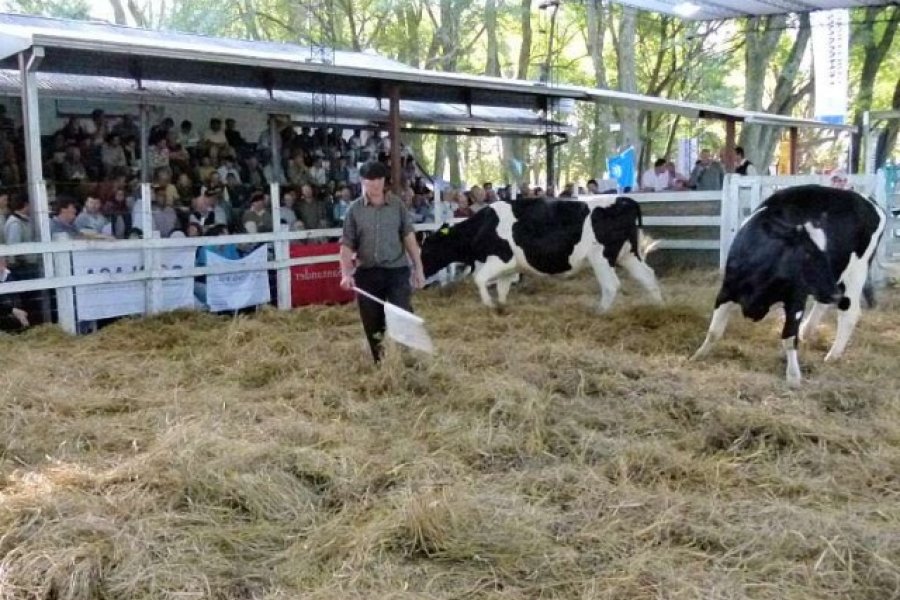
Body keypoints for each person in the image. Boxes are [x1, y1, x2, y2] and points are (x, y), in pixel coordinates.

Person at [339, 160, 426, 363]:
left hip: (396, 270)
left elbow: (409, 239)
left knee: (401, 313)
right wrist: (346, 273)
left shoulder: (397, 206)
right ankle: (381, 363)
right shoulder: (354, 210)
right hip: (367, 272)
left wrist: (418, 269)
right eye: (370, 180)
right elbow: (346, 245)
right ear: (363, 182)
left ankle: (406, 358)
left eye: (378, 179)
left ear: (384, 181)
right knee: (372, 321)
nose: (375, 184)